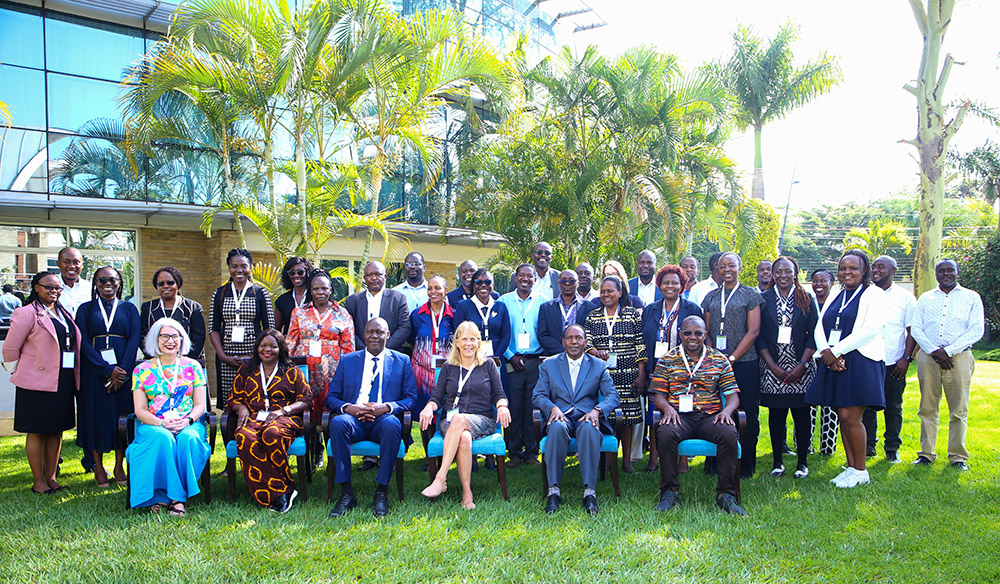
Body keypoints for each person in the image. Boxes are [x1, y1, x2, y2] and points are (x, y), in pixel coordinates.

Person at [805, 250, 887, 488]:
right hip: (835, 361)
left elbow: (870, 329)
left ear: (864, 270)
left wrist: (836, 351)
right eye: (843, 268)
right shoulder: (837, 294)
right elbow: (820, 326)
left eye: (853, 268)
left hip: (861, 360)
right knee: (843, 415)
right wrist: (826, 353)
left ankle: (861, 470)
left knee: (852, 417)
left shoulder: (874, 294)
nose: (847, 272)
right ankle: (851, 468)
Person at [651, 316, 745, 516]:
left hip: (710, 416)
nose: (692, 337)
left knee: (728, 433)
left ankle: (726, 495)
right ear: (680, 334)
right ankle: (669, 491)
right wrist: (667, 409)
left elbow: (733, 396)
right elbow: (658, 396)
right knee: (665, 433)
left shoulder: (719, 359)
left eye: (698, 333)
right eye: (687, 333)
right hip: (679, 416)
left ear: (705, 335)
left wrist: (726, 412)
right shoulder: (667, 360)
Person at [327, 318, 418, 518]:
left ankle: (381, 491)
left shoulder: (401, 361)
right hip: (354, 419)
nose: (374, 336)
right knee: (338, 422)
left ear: (388, 335)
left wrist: (386, 407)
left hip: (383, 419)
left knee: (392, 424)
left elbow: (411, 398)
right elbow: (331, 397)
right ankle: (346, 492)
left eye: (379, 332)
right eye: (370, 332)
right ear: (364, 334)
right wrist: (349, 408)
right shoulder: (348, 360)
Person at [2, 271, 81, 494]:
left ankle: (52, 478)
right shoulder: (26, 312)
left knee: (56, 430)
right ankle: (39, 482)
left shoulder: (62, 312)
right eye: (48, 287)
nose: (54, 291)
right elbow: (10, 348)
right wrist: (21, 371)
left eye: (58, 288)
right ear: (36, 287)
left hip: (62, 380)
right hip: (35, 383)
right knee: (36, 431)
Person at [419, 321, 510, 509]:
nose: (469, 343)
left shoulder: (488, 365)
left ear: (479, 342)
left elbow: (499, 394)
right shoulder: (448, 367)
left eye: (473, 339)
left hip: (482, 420)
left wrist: (502, 406)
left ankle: (441, 477)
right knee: (464, 438)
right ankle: (467, 495)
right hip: (450, 422)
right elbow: (437, 397)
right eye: (465, 339)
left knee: (460, 420)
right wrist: (428, 407)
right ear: (457, 342)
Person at [533, 325, 620, 515]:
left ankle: (589, 492)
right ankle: (553, 491)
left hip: (586, 416)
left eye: (578, 338)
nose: (574, 342)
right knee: (556, 427)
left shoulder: (598, 365)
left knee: (589, 427)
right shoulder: (549, 365)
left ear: (585, 342)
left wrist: (597, 410)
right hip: (560, 415)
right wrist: (552, 408)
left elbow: (613, 395)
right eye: (569, 338)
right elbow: (538, 395)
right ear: (563, 342)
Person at [127, 318, 210, 515]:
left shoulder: (193, 367)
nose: (170, 341)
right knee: (162, 438)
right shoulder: (141, 370)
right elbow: (140, 410)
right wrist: (160, 422)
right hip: (153, 424)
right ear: (155, 339)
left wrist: (187, 421)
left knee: (188, 438)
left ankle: (173, 498)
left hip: (188, 422)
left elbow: (200, 405)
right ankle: (173, 498)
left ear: (182, 339)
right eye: (164, 336)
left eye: (175, 336)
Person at [228, 328, 312, 512]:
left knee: (272, 434)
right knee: (244, 437)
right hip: (254, 419)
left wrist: (283, 410)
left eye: (273, 346)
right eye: (263, 345)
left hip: (285, 418)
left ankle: (276, 492)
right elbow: (234, 397)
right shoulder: (246, 369)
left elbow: (306, 399)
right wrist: (242, 408)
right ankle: (283, 491)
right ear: (257, 347)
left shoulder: (291, 370)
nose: (267, 349)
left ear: (280, 348)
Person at [911, 259, 984, 470]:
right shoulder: (926, 298)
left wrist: (948, 351)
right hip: (929, 356)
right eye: (941, 270)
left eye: (950, 270)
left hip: (959, 357)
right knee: (927, 407)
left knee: (959, 409)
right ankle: (926, 454)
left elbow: (976, 330)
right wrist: (934, 351)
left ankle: (957, 456)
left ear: (957, 272)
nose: (945, 274)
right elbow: (916, 329)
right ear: (936, 274)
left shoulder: (971, 297)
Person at [75, 265, 141, 488]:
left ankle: (119, 465)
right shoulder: (85, 309)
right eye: (102, 280)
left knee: (121, 417)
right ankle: (98, 466)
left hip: (123, 373)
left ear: (119, 283)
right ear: (95, 283)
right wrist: (106, 370)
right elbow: (83, 342)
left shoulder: (129, 309)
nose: (107, 284)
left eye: (112, 279)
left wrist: (121, 372)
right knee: (95, 417)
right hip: (94, 373)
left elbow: (134, 339)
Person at [702, 252, 763, 478]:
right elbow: (707, 331)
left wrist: (733, 358)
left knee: (746, 411)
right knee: (715, 408)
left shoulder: (750, 295)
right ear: (717, 269)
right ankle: (714, 461)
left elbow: (753, 331)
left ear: (740, 267)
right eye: (722, 266)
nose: (727, 270)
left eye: (731, 265)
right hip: (716, 364)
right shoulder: (711, 296)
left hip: (744, 362)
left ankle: (745, 464)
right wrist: (714, 357)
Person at [757, 256, 818, 478]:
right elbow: (759, 336)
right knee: (776, 416)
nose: (783, 275)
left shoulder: (806, 298)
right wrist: (772, 366)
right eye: (779, 271)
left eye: (788, 271)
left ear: (795, 273)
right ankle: (777, 462)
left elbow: (814, 334)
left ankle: (802, 462)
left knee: (802, 416)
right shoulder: (763, 299)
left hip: (802, 368)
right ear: (773, 274)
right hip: (773, 368)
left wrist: (802, 365)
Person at [640, 265, 703, 473]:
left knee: (682, 412)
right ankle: (654, 457)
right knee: (654, 414)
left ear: (682, 285)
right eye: (666, 282)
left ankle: (682, 459)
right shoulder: (650, 310)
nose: (670, 286)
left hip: (683, 371)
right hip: (656, 371)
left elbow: (699, 340)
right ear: (659, 285)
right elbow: (644, 341)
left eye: (675, 282)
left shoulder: (691, 309)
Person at [583, 275, 647, 473]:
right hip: (601, 375)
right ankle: (606, 460)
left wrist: (641, 375)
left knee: (627, 418)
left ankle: (626, 461)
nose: (606, 294)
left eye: (610, 291)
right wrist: (595, 352)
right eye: (602, 291)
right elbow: (587, 342)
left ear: (620, 293)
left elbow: (640, 344)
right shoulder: (593, 316)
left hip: (628, 374)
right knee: (605, 417)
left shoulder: (632, 314)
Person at [864, 255, 916, 463]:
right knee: (867, 406)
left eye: (881, 267)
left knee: (893, 407)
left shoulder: (905, 298)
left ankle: (892, 448)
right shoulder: (865, 294)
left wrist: (906, 358)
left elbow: (912, 331)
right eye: (874, 267)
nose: (876, 270)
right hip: (868, 360)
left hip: (894, 361)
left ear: (893, 271)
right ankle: (868, 446)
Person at [209, 248, 276, 410]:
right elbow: (213, 328)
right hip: (227, 358)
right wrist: (223, 356)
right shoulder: (220, 293)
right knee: (229, 402)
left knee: (254, 398)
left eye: (244, 266)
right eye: (234, 266)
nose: (239, 270)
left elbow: (270, 329)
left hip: (255, 357)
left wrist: (256, 356)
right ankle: (230, 428)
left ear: (250, 268)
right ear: (229, 268)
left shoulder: (260, 293)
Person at [287, 270, 354, 418]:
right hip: (305, 368)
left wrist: (347, 370)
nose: (320, 292)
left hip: (332, 370)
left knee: (330, 405)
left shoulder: (342, 313)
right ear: (310, 291)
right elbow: (291, 342)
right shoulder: (299, 312)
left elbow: (348, 346)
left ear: (330, 289)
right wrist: (287, 364)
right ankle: (309, 432)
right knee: (305, 402)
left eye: (324, 288)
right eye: (316, 289)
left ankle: (329, 430)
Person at [498, 264, 544, 466]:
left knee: (533, 405)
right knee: (513, 406)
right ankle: (514, 452)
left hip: (535, 360)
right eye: (522, 275)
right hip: (512, 361)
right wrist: (510, 355)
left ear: (535, 279)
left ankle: (532, 452)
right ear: (515, 278)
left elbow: (545, 331)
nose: (525, 279)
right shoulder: (503, 301)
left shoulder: (543, 301)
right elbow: (500, 332)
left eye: (530, 276)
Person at [409, 274, 455, 455]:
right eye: (430, 288)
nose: (433, 292)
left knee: (446, 410)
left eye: (437, 288)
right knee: (424, 410)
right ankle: (429, 454)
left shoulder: (453, 315)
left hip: (446, 373)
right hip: (422, 372)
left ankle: (446, 451)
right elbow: (412, 339)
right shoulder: (417, 314)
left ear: (446, 291)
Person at [139, 267, 206, 363]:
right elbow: (143, 338)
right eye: (161, 284)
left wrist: (182, 362)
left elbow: (198, 339)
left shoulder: (193, 307)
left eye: (170, 283)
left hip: (187, 363)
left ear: (178, 284)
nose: (165, 286)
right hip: (155, 364)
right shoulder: (148, 308)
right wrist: (159, 360)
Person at [344, 261, 411, 352]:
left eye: (378, 274)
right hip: (361, 353)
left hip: (390, 353)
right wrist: (365, 351)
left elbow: (404, 327)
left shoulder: (398, 299)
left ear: (385, 276)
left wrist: (384, 350)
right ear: (364, 278)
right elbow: (348, 329)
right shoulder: (353, 301)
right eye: (369, 275)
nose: (373, 278)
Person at [809, 267, 839, 455]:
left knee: (830, 403)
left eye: (823, 281)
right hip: (811, 358)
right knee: (809, 404)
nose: (818, 284)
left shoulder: (838, 303)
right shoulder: (808, 303)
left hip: (832, 357)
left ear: (831, 283)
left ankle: (828, 447)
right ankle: (806, 445)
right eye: (815, 281)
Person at [455, 268, 511, 366]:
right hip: (471, 359)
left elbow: (506, 336)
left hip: (497, 359)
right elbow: (459, 335)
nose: (483, 285)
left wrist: (495, 357)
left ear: (493, 284)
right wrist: (474, 356)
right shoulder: (463, 306)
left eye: (488, 282)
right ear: (473, 285)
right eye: (479, 282)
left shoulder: (501, 306)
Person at [537, 270, 597, 357]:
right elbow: (543, 336)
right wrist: (565, 350)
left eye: (572, 281)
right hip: (554, 357)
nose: (567, 284)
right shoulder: (546, 307)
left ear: (578, 283)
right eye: (563, 281)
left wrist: (576, 350)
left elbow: (591, 334)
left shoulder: (590, 307)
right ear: (558, 283)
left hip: (581, 357)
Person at [273, 256, 314, 335]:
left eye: (300, 272)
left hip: (311, 341)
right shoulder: (282, 300)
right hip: (288, 341)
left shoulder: (315, 297)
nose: (296, 275)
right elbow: (276, 331)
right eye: (292, 273)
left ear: (307, 273)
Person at [57, 247, 90, 318]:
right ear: (58, 264)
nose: (71, 266)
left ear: (82, 264)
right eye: (66, 262)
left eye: (76, 262)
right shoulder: (49, 288)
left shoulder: (90, 288)